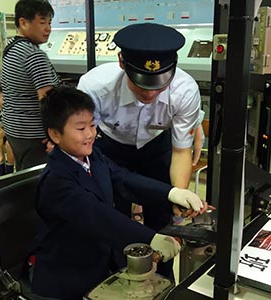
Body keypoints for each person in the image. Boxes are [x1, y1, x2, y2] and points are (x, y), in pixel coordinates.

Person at [32, 86, 206, 300]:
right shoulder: (57, 180)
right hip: (68, 280)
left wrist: (171, 193)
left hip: (100, 266)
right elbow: (98, 216)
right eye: (80, 128)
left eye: (92, 125)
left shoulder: (92, 156)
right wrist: (151, 239)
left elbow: (123, 178)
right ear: (55, 134)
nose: (90, 134)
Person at [77, 23, 203, 276]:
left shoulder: (185, 90)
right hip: (110, 149)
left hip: (156, 149)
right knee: (115, 222)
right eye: (142, 84)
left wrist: (178, 194)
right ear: (122, 62)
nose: (150, 92)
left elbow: (180, 151)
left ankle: (164, 282)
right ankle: (118, 280)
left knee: (164, 219)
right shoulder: (95, 87)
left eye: (159, 85)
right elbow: (83, 138)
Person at [0, 0, 60, 171]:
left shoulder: (10, 48)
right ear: (23, 22)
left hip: (15, 131)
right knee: (39, 182)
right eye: (42, 22)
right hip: (35, 135)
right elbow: (47, 100)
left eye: (49, 23)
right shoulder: (34, 55)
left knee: (25, 176)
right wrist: (54, 135)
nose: (48, 28)